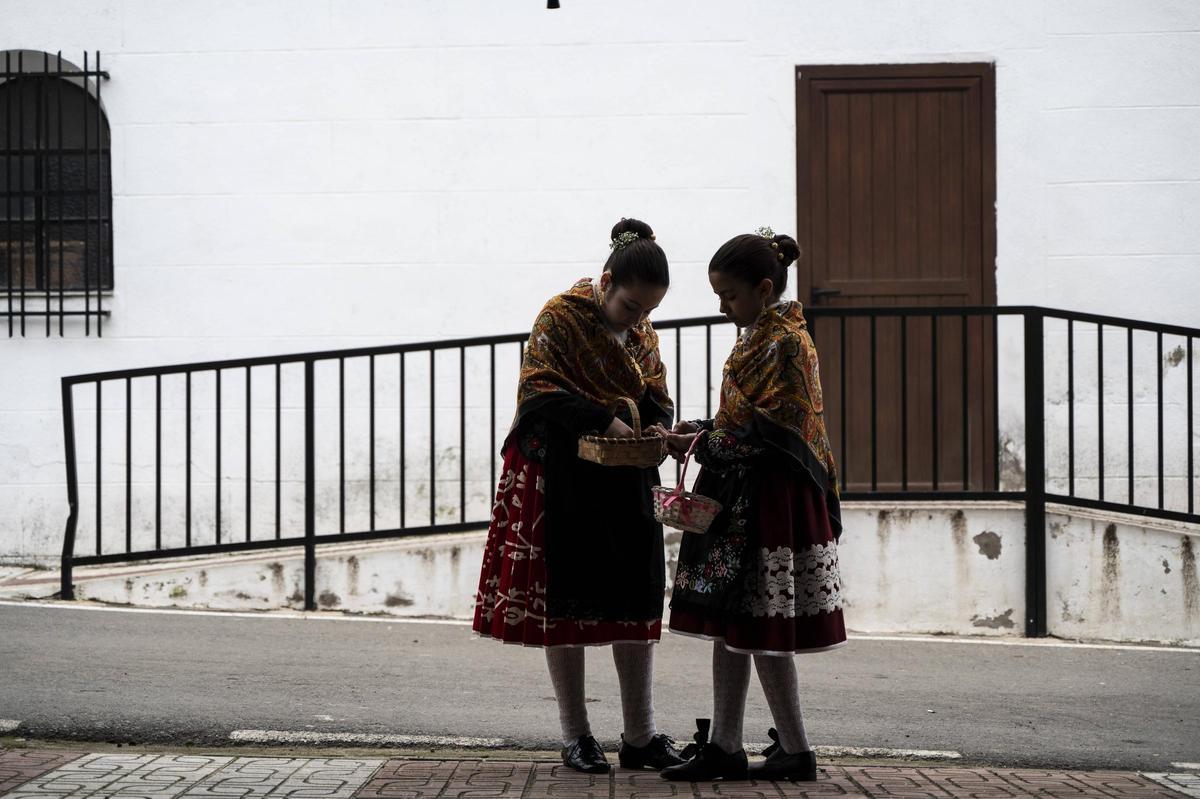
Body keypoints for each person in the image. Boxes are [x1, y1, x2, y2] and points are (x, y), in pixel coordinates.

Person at [473, 218, 684, 774]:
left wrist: (658, 427)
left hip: (625, 475)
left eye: (648, 311)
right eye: (631, 307)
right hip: (561, 473)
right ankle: (576, 735)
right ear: (606, 281)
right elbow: (538, 391)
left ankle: (640, 735)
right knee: (563, 602)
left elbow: (655, 393)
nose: (640, 320)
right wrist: (603, 420)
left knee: (637, 598)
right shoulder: (560, 317)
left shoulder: (642, 334)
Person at [659, 228, 845, 783]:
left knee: (753, 624)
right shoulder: (762, 335)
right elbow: (748, 421)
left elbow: (773, 431)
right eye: (717, 296)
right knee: (738, 625)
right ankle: (753, 745)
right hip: (752, 495)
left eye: (730, 296)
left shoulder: (783, 342)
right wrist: (706, 429)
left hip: (768, 500)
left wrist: (702, 442)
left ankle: (762, 747)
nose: (722, 307)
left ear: (765, 288)